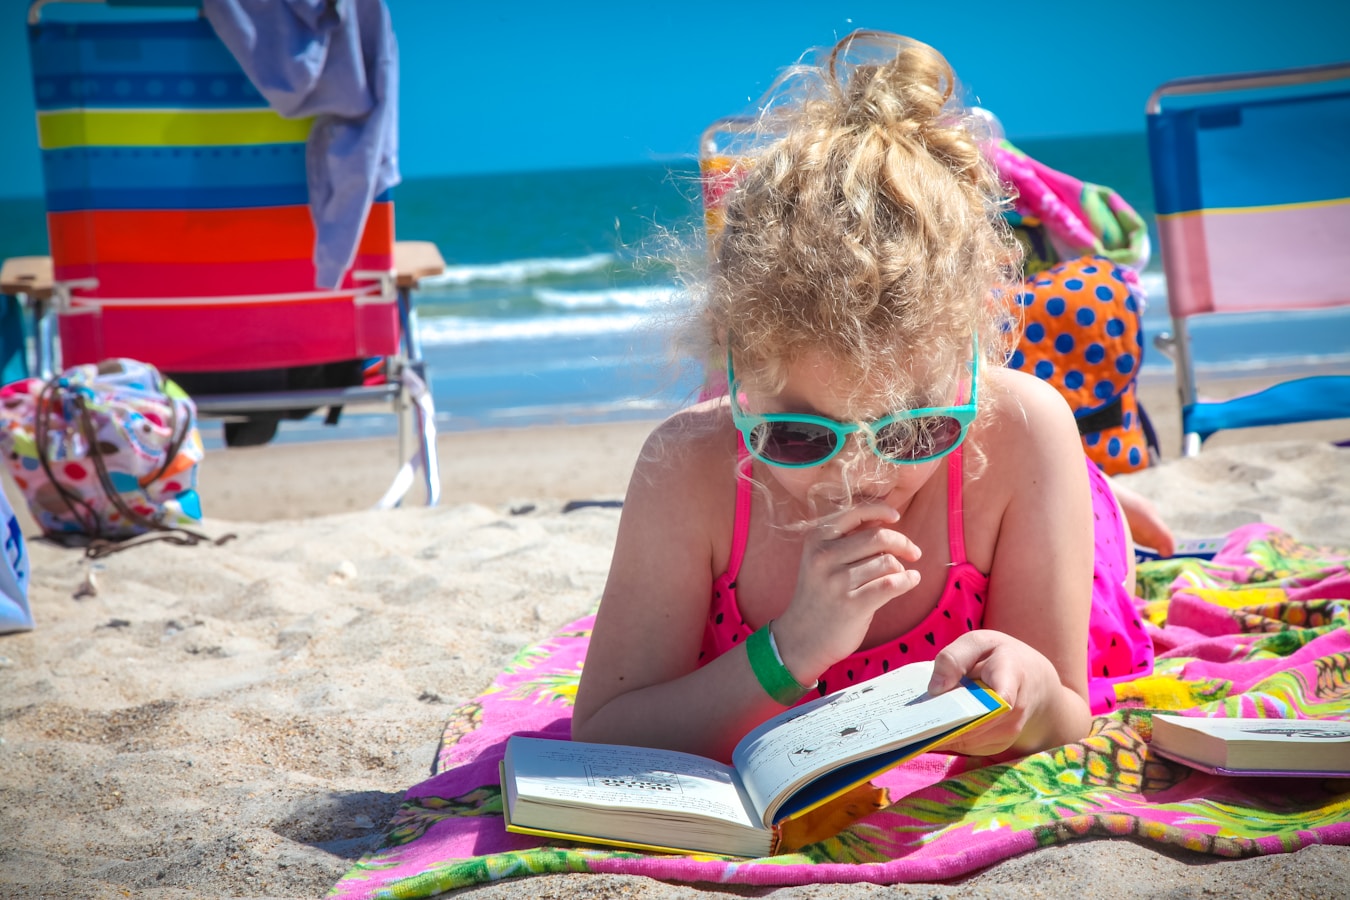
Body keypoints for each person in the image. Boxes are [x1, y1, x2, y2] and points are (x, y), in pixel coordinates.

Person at [572, 30, 1165, 766]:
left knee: (1103, 540)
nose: (858, 474)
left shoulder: (1019, 428)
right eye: (799, 435)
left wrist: (1026, 699)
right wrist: (789, 650)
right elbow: (601, 731)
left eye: (914, 432)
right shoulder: (689, 464)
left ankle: (1103, 502)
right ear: (734, 378)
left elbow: (1066, 705)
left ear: (970, 367)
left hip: (1032, 494)